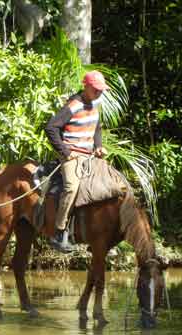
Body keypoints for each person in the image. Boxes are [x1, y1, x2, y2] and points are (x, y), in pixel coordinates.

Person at [44, 70, 108, 253]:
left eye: (101, 90)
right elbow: (51, 128)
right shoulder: (74, 104)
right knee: (72, 187)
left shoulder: (94, 105)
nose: (99, 93)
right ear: (86, 86)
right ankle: (58, 231)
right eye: (96, 89)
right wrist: (65, 151)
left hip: (88, 156)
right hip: (71, 155)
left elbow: (96, 127)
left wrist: (98, 146)